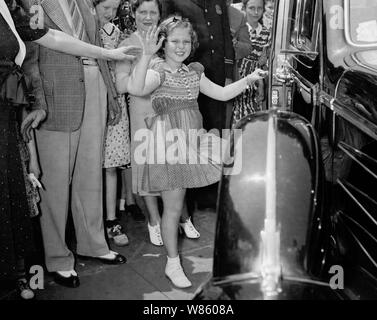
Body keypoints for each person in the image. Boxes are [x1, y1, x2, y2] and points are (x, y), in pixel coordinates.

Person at [0, 0, 139, 298]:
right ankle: (58, 257)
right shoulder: (28, 2)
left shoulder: (84, 2)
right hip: (54, 97)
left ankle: (94, 244)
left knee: (91, 174)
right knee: (55, 181)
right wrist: (39, 101)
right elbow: (30, 56)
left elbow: (95, 43)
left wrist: (110, 92)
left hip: (95, 88)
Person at [123, 17, 266, 288]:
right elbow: (136, 88)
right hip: (169, 146)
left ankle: (241, 240)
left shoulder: (193, 73)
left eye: (186, 41)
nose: (180, 46)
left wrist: (248, 78)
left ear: (193, 44)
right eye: (174, 41)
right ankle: (172, 263)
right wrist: (146, 55)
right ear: (163, 44)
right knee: (173, 209)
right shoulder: (158, 71)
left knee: (237, 161)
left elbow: (222, 94)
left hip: (194, 141)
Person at [116, 0, 200, 247]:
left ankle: (182, 218)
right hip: (143, 113)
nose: (148, 17)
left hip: (171, 113)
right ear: (134, 13)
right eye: (143, 12)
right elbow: (123, 85)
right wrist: (148, 65)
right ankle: (154, 221)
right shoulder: (127, 45)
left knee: (177, 166)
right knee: (147, 169)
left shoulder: (170, 38)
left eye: (153, 12)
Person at [162, 0, 236, 211]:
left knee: (216, 128)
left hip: (217, 72)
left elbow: (225, 37)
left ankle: (214, 191)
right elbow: (170, 30)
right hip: (190, 73)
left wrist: (229, 73)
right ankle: (193, 196)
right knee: (192, 136)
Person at [94, 0, 132, 247]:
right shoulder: (83, 30)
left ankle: (111, 220)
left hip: (114, 100)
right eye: (105, 7)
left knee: (111, 165)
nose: (110, 14)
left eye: (114, 8)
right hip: (90, 98)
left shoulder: (116, 33)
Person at [231, 0, 271, 126]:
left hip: (253, 82)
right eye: (251, 8)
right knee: (235, 118)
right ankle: (235, 144)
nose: (255, 12)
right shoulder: (237, 30)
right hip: (236, 78)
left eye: (259, 8)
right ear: (244, 8)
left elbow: (261, 63)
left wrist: (261, 84)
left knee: (252, 120)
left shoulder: (266, 32)